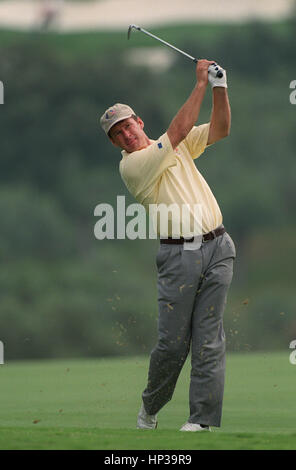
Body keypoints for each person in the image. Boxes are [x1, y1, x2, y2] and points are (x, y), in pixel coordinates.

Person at [100, 59, 236, 432]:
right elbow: (178, 131)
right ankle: (150, 407)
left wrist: (220, 88)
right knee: (173, 346)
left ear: (138, 122)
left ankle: (202, 422)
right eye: (117, 134)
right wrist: (200, 84)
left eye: (127, 126)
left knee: (209, 340)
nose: (126, 135)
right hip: (179, 256)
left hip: (219, 247)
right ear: (114, 143)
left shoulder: (174, 145)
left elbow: (221, 128)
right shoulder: (134, 165)